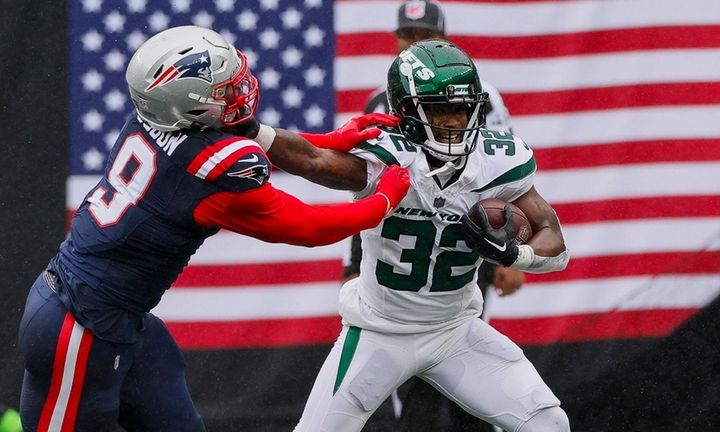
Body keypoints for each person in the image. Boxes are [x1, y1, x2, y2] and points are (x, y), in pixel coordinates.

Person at [17, 25, 410, 432]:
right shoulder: (210, 168)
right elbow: (309, 227)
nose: (238, 92)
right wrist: (383, 200)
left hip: (118, 318)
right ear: (188, 104)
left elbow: (258, 141)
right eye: (224, 89)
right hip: (77, 327)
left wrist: (332, 139)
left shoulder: (156, 121)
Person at [291, 39, 571, 432]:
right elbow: (309, 159)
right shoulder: (384, 160)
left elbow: (555, 245)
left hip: (454, 331)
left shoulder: (496, 164)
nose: (454, 121)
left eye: (461, 109)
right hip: (379, 332)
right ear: (405, 112)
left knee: (548, 423)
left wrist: (514, 254)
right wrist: (253, 132)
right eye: (440, 110)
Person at [342, 1, 524, 429]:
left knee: (466, 373)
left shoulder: (481, 97)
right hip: (397, 252)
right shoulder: (380, 101)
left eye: (425, 37)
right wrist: (354, 265)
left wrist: (513, 254)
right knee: (403, 381)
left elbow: (506, 179)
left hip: (462, 248)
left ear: (444, 40)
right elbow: (366, 193)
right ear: (396, 40)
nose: (415, 44)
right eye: (408, 36)